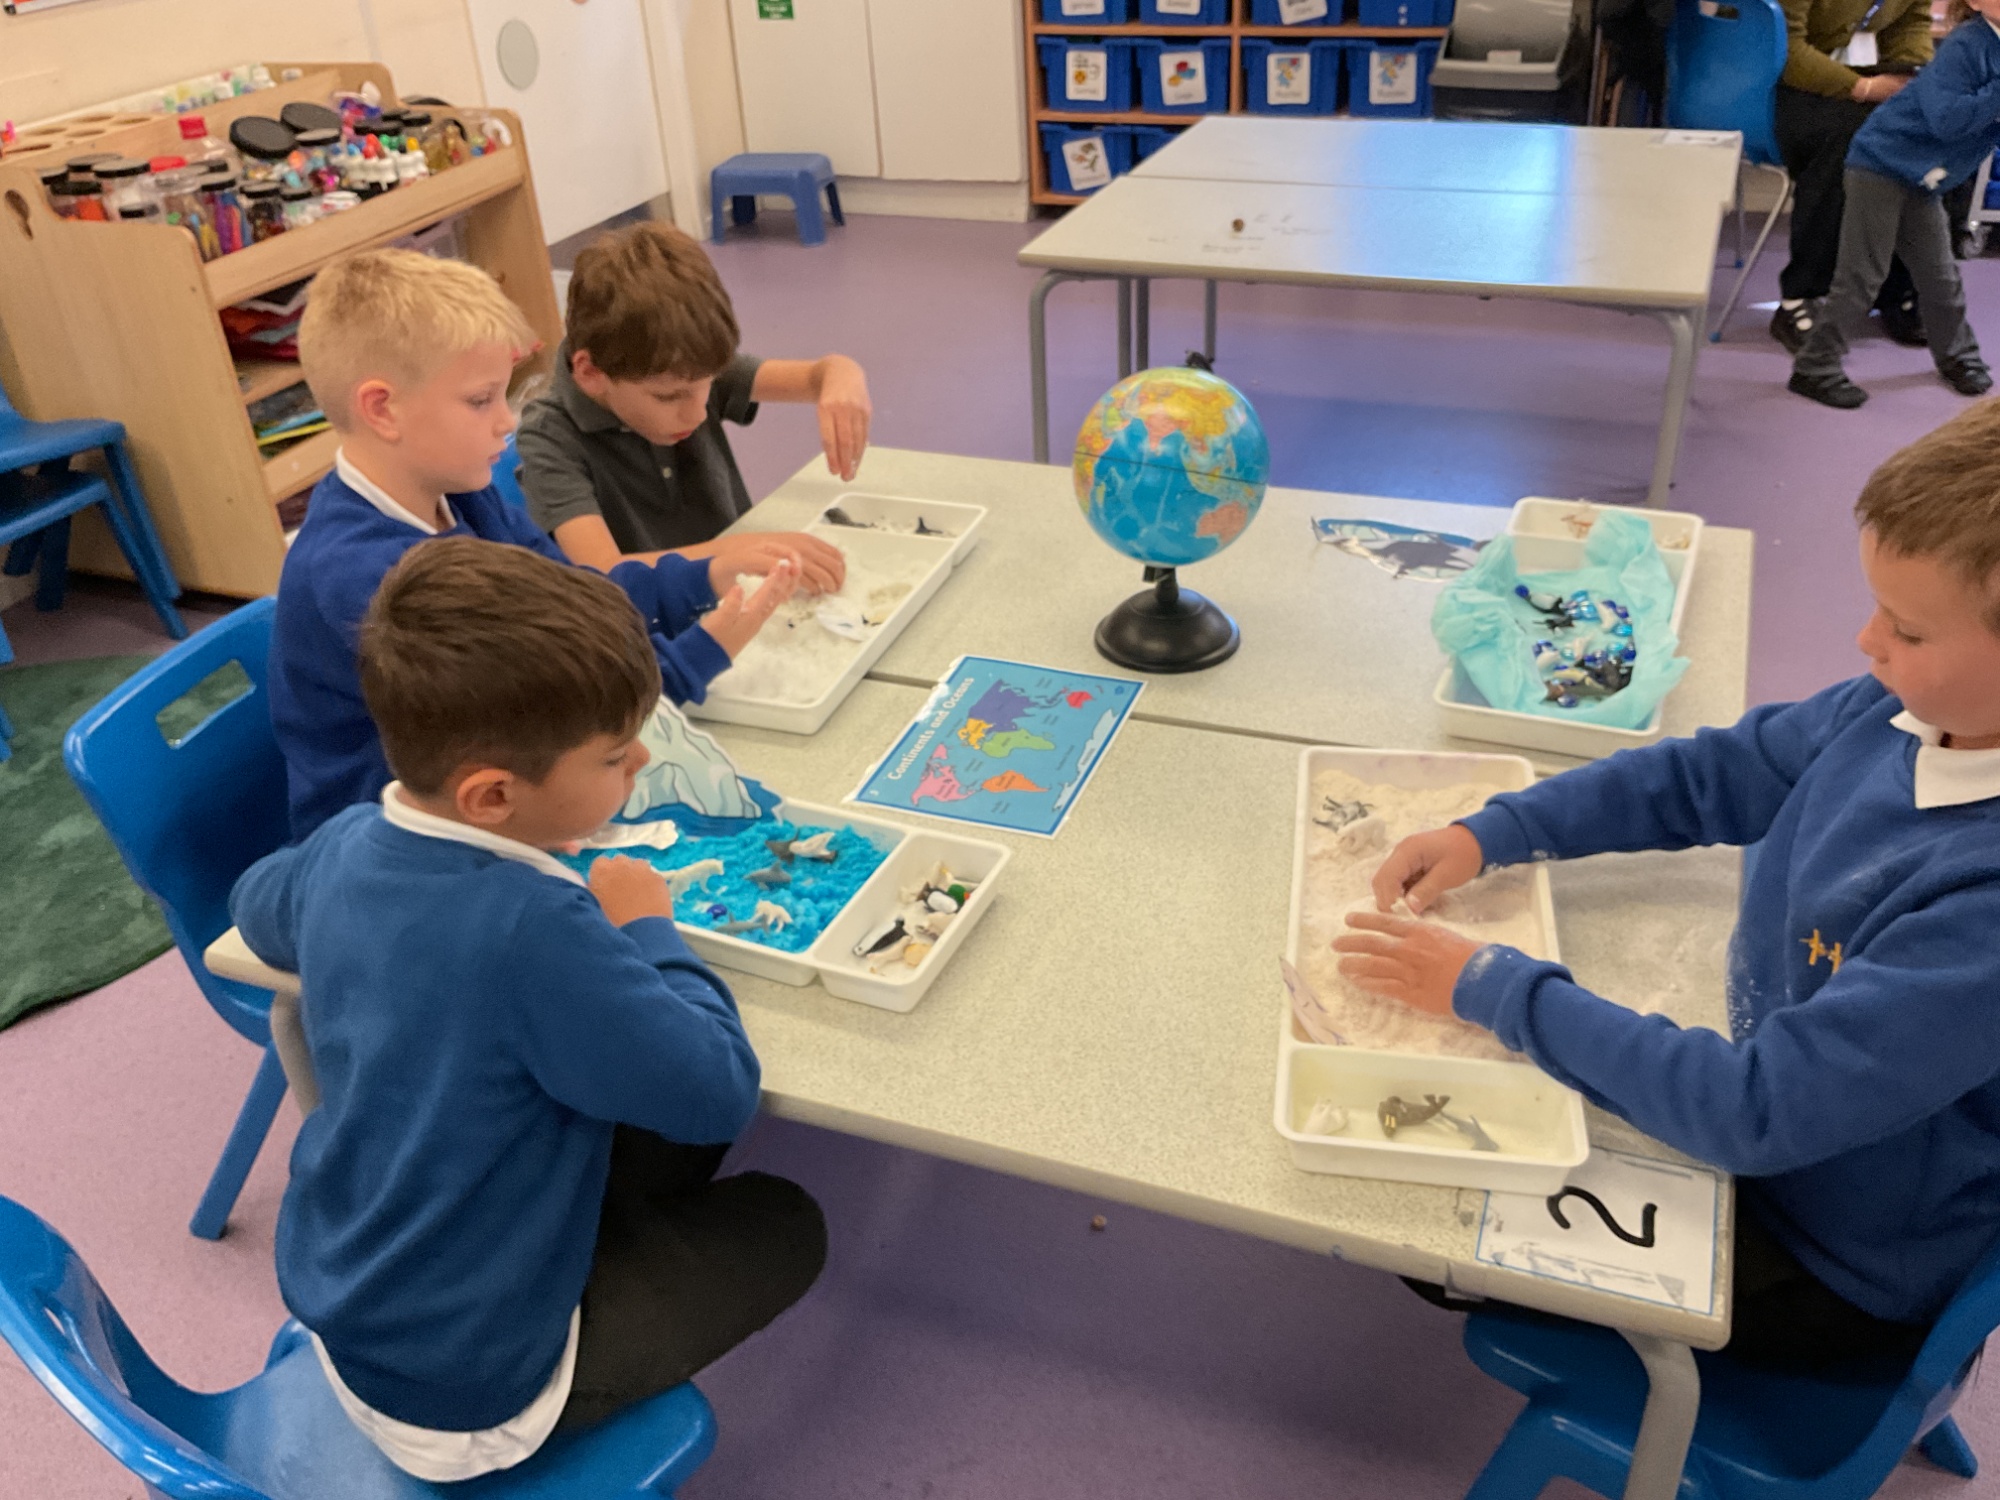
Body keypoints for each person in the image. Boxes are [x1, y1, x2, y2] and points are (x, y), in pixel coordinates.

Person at [1335, 401, 2000, 1368]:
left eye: (1904, 628)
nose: (1865, 642)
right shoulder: (1900, 706)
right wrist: (1501, 830)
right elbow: (1709, 777)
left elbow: (1755, 1114)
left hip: (1830, 1260)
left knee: (1427, 1235)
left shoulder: (1982, 909)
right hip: (1775, 1117)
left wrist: (1488, 986)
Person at [231, 538, 826, 1481]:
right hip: (471, 1397)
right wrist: (647, 928)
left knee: (631, 1111)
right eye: (615, 753)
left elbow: (255, 906)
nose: (640, 759)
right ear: (493, 795)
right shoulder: (533, 925)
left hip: (351, 1298)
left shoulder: (350, 841)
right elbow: (720, 1091)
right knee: (788, 1219)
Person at [270, 247, 798, 839]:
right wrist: (699, 653)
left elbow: (579, 599)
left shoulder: (459, 492)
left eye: (504, 395)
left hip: (498, 785)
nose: (506, 422)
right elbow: (553, 718)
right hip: (396, 844)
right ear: (382, 409)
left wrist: (700, 578)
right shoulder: (368, 577)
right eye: (480, 400)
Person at [518, 220, 867, 583]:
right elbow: (607, 572)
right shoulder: (549, 437)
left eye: (708, 384)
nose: (697, 412)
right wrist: (741, 550)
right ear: (591, 374)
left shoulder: (683, 366)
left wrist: (842, 374)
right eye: (668, 397)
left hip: (734, 595)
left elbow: (818, 376)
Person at [1788, 0, 2000, 407]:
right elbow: (1947, 120)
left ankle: (1958, 357)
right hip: (1882, 165)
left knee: (1939, 277)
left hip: (1923, 175)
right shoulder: (1965, 46)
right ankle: (1814, 367)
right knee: (1862, 276)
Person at [1769, 0, 1935, 353]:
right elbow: (1785, 47)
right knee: (1851, 143)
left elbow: (1910, 22)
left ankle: (1898, 289)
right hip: (1777, 83)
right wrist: (1864, 89)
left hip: (1852, 79)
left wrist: (1912, 74)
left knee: (1930, 133)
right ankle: (1801, 296)